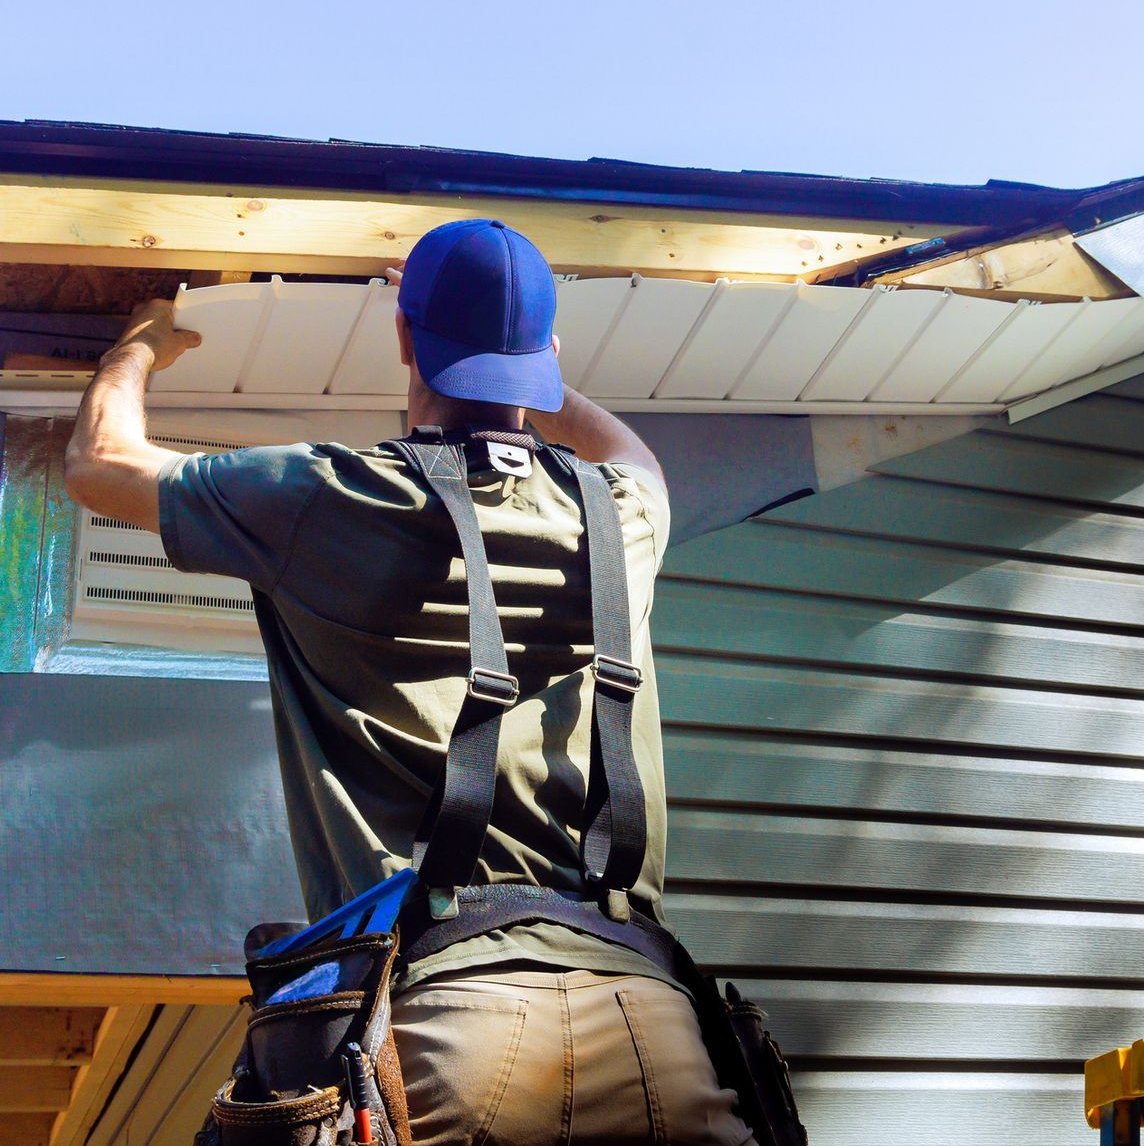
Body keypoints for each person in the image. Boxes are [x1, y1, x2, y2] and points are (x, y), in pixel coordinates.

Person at [64, 218, 756, 1146]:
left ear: (403, 339)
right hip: (656, 1028)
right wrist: (527, 369)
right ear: (547, 358)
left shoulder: (330, 497)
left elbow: (101, 466)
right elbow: (639, 459)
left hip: (455, 1024)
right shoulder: (624, 515)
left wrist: (135, 347)